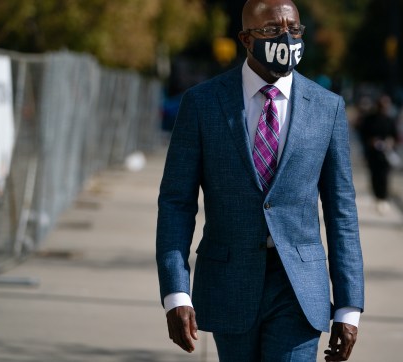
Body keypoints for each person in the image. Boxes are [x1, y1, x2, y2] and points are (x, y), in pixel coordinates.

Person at [155, 0, 364, 360]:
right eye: (271, 30)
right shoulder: (202, 104)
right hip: (229, 283)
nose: (285, 37)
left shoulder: (327, 107)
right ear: (245, 39)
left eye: (293, 29)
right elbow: (177, 202)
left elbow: (341, 210)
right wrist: (176, 292)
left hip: (298, 288)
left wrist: (349, 306)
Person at [357, 94, 401, 214]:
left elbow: (396, 136)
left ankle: (383, 198)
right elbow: (362, 134)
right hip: (373, 154)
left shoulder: (390, 120)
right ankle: (377, 197)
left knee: (385, 177)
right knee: (374, 176)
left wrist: (391, 142)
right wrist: (370, 142)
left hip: (387, 154)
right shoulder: (370, 120)